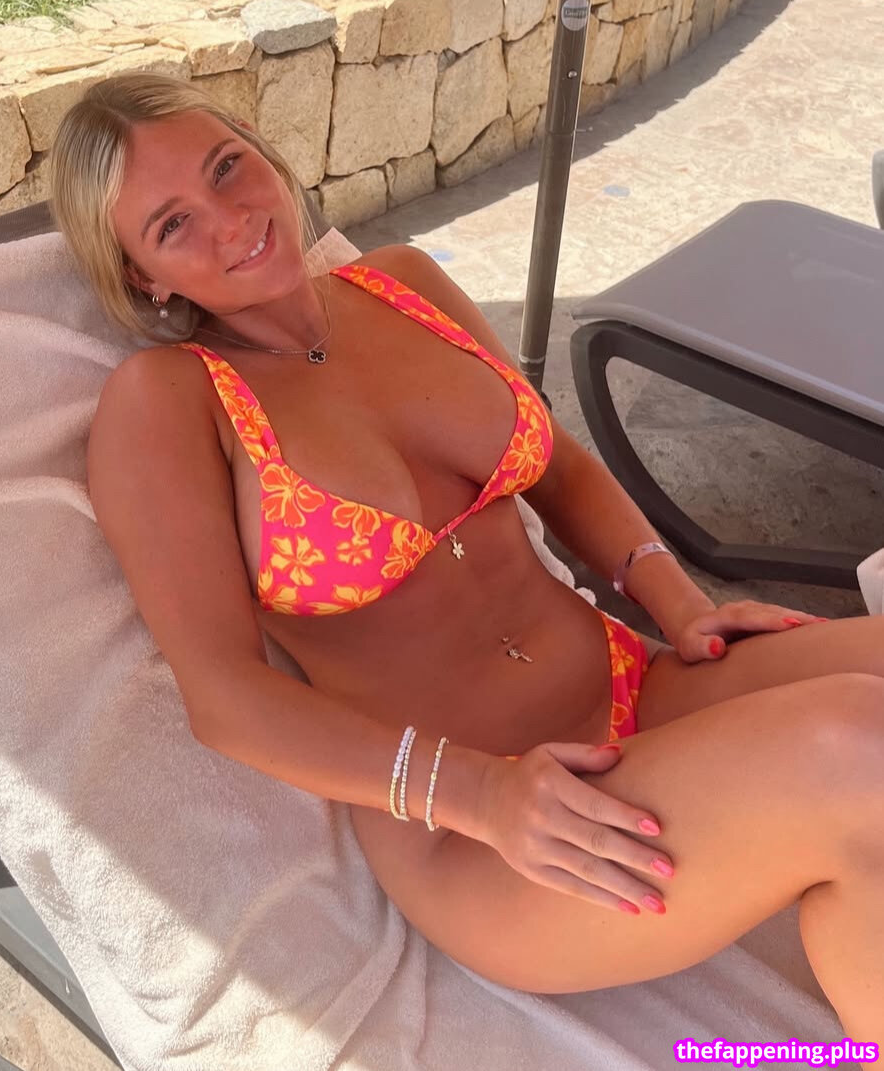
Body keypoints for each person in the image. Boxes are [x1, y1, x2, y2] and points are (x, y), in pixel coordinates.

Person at [49, 71, 884, 1056]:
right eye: (172, 225)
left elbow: (558, 467)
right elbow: (225, 697)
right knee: (855, 755)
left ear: (260, 147)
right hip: (487, 835)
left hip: (639, 686)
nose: (229, 220)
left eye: (226, 168)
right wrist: (479, 794)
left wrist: (678, 601)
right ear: (142, 275)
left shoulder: (403, 283)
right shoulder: (167, 402)